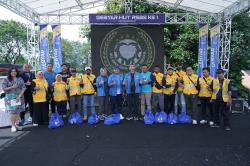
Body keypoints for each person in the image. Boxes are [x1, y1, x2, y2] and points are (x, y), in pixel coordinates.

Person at [2, 68, 26, 132]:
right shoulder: (6, 79)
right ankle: (12, 125)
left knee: (18, 112)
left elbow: (24, 88)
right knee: (13, 112)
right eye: (12, 71)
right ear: (10, 72)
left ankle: (16, 124)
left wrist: (19, 96)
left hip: (19, 97)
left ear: (17, 72)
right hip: (10, 99)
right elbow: (4, 89)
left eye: (15, 71)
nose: (14, 72)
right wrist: (12, 87)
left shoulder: (20, 79)